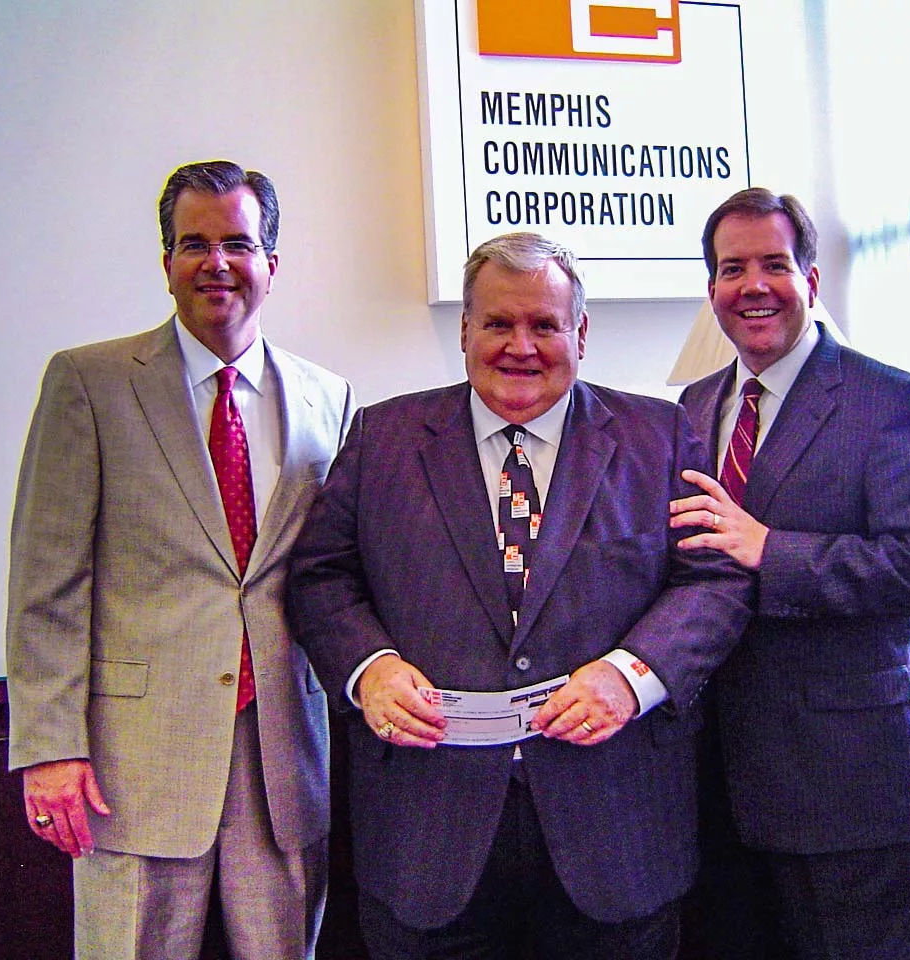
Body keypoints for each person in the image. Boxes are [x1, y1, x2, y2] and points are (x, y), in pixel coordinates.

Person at [286, 232, 753, 960]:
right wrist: (367, 666)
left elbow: (715, 580)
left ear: (582, 333)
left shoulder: (658, 435)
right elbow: (321, 575)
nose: (521, 345)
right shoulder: (383, 436)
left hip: (616, 835)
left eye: (544, 324)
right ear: (465, 329)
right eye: (499, 323)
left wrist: (634, 677)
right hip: (427, 839)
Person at [5, 160, 354, 960]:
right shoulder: (89, 383)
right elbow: (44, 586)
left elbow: (335, 572)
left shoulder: (327, 399)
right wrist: (51, 748)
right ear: (165, 262)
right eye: (193, 244)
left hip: (282, 756)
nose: (217, 263)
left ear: (272, 262)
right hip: (132, 762)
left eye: (238, 243)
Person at [668, 188, 910, 960]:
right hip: (721, 780)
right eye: (731, 268)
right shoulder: (694, 405)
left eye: (774, 264)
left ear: (810, 279)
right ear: (712, 291)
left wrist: (773, 550)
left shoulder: (891, 400)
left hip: (849, 778)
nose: (753, 285)